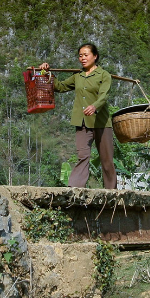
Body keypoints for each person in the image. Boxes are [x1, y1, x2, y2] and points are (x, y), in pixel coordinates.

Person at [39, 43, 116, 189]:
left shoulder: (104, 75)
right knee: (83, 156)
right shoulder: (77, 76)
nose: (83, 58)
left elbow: (104, 96)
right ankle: (75, 189)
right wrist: (46, 73)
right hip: (82, 122)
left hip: (101, 122)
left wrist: (94, 106)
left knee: (106, 161)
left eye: (86, 55)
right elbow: (59, 87)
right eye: (80, 55)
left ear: (95, 56)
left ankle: (111, 192)